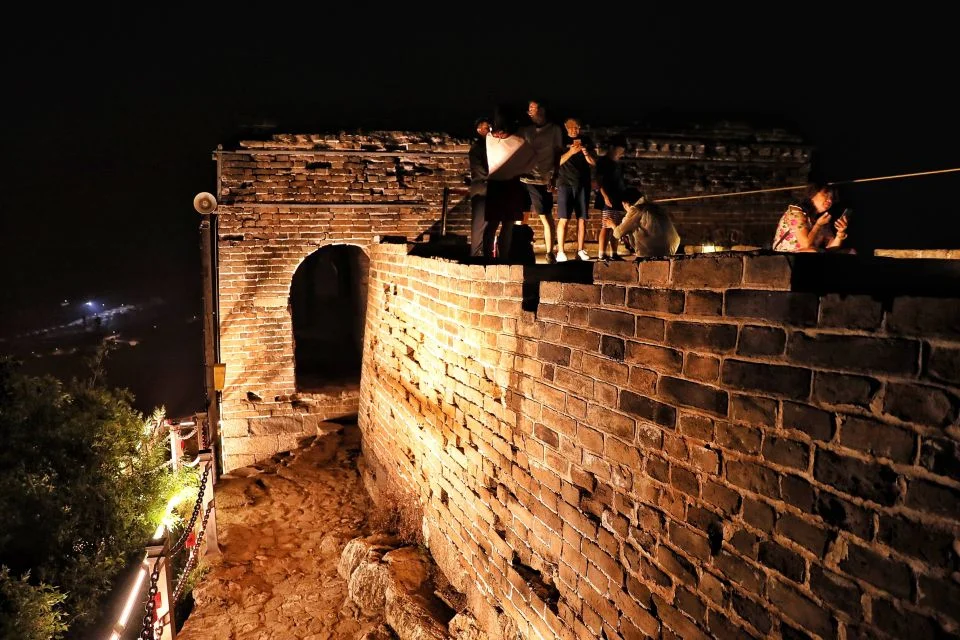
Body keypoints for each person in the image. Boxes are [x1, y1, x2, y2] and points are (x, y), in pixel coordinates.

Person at [485, 104, 536, 260]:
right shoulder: (519, 142)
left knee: (491, 225)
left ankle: (487, 258)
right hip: (511, 185)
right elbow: (532, 161)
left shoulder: (489, 138)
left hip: (493, 185)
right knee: (507, 226)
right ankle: (504, 259)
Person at [519, 99, 565, 263]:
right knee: (520, 216)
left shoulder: (554, 130)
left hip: (541, 179)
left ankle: (549, 252)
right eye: (529, 109)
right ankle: (519, 249)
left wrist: (554, 175)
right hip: (524, 178)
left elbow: (558, 153)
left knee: (545, 216)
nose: (530, 111)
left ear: (542, 110)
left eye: (533, 108)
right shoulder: (526, 130)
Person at [555, 117, 596, 262]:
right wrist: (571, 152)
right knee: (564, 218)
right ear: (566, 127)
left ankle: (580, 250)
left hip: (583, 183)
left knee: (582, 218)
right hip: (565, 183)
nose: (575, 130)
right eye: (572, 127)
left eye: (577, 127)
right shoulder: (560, 141)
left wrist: (585, 152)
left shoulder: (586, 140)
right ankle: (561, 251)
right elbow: (556, 162)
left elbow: (593, 162)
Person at [772, 182, 850, 252]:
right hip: (786, 256)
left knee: (850, 251)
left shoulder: (822, 220)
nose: (829, 200)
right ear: (812, 194)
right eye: (826, 195)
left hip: (809, 255)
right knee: (813, 251)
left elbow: (831, 248)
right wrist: (817, 225)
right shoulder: (796, 212)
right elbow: (806, 244)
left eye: (831, 198)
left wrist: (840, 233)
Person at [613, 188, 681, 257]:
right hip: (672, 248)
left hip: (654, 250)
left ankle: (642, 253)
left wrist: (612, 225)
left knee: (630, 227)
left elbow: (618, 233)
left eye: (623, 205)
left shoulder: (636, 209)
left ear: (626, 203)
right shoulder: (654, 206)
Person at [595, 136, 628, 260]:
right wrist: (605, 196)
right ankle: (602, 254)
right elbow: (599, 181)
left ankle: (614, 253)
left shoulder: (617, 164)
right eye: (619, 150)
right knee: (606, 225)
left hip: (619, 197)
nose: (621, 153)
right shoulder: (603, 162)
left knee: (616, 225)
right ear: (612, 148)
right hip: (608, 198)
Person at [468, 116, 491, 257]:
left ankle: (486, 255)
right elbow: (479, 170)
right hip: (482, 189)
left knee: (489, 226)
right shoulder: (477, 148)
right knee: (479, 225)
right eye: (486, 127)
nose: (490, 130)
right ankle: (476, 255)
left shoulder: (488, 146)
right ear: (479, 130)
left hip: (488, 188)